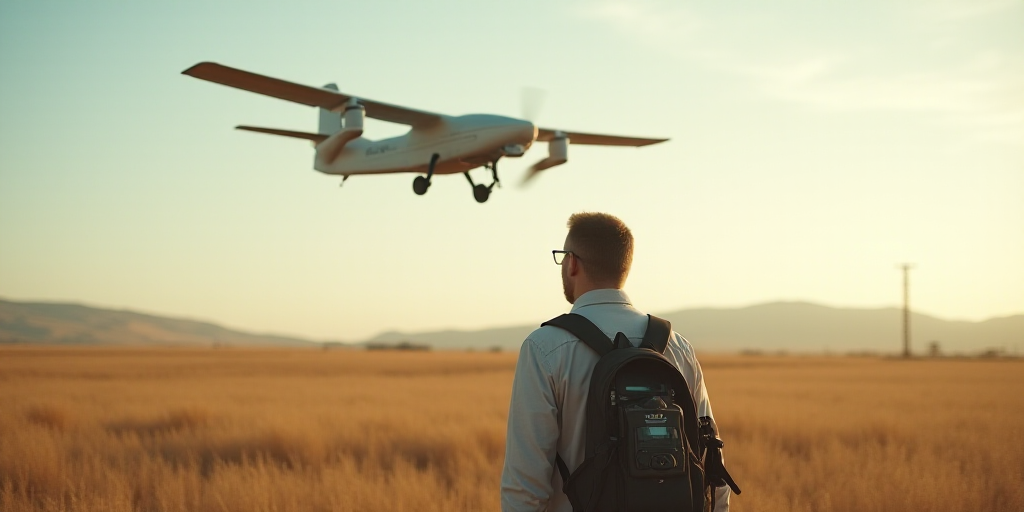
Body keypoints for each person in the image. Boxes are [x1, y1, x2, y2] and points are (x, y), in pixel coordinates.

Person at [500, 212, 731, 512]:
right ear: (624, 267)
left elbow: (524, 488)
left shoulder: (545, 348)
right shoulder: (677, 347)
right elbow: (712, 466)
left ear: (572, 263)